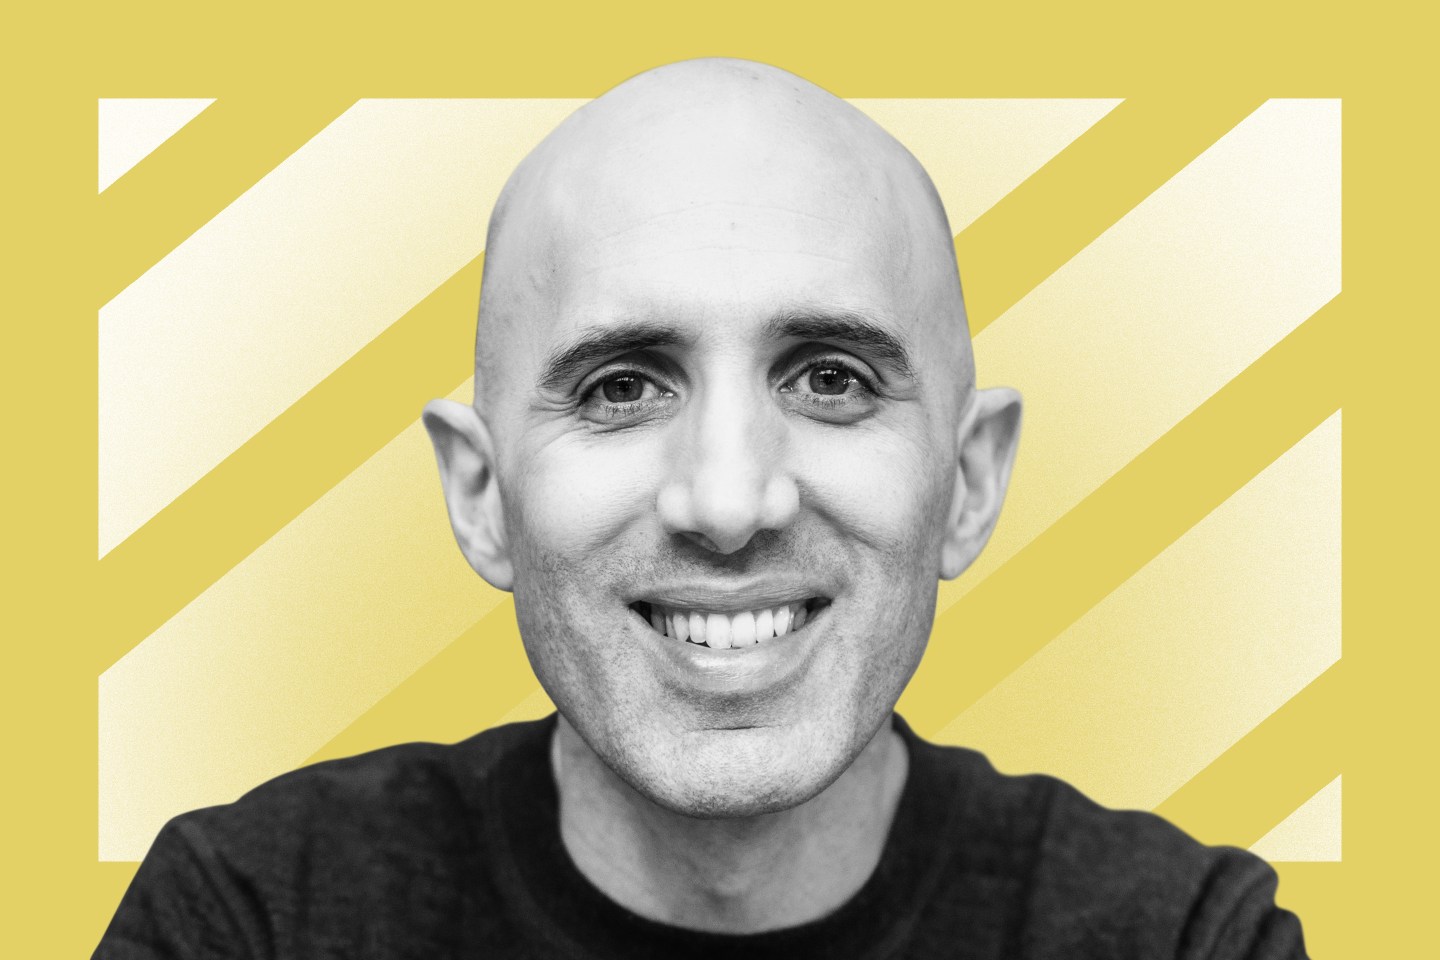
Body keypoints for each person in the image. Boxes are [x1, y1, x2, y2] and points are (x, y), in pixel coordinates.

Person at [95, 58, 1307, 959]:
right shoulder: (249, 921)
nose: (729, 503)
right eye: (621, 388)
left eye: (831, 379)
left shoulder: (1187, 938)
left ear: (970, 480)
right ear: (481, 493)